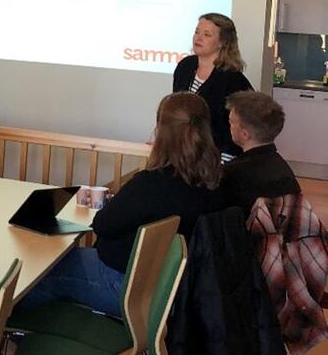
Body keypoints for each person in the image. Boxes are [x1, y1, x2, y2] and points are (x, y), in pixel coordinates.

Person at [18, 92, 223, 318]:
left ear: (161, 134)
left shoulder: (152, 184)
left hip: (126, 286)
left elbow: (103, 224)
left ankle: (9, 333)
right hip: (169, 290)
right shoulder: (215, 181)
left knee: (37, 270)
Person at [172, 12, 252, 160]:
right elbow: (175, 109)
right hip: (183, 152)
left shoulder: (234, 80)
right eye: (197, 32)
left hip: (215, 157)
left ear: (222, 42)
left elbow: (239, 128)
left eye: (207, 34)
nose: (198, 38)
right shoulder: (185, 66)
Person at [221, 91, 301, 210]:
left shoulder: (232, 174)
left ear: (244, 134)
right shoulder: (285, 172)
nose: (229, 125)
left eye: (231, 121)